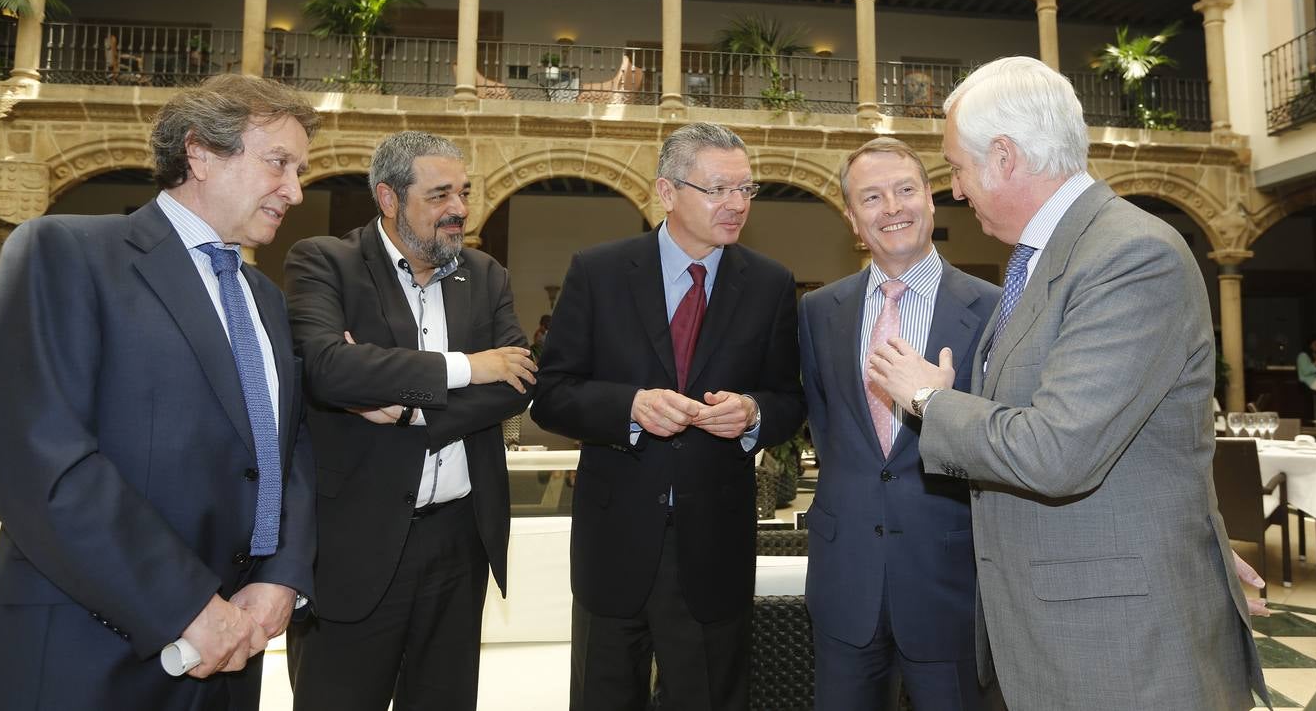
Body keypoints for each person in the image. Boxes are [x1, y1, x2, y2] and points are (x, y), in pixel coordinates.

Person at [870, 56, 1268, 709]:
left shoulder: (1127, 256)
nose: (958, 191)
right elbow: (1148, 444)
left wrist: (926, 398)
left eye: (958, 169)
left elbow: (1059, 451)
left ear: (1002, 157)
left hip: (1118, 648)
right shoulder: (1047, 260)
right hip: (1051, 634)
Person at [0, 74, 320, 710]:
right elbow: (41, 461)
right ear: (200, 153)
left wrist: (281, 576)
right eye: (279, 163)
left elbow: (285, 446)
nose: (295, 191)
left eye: (299, 170)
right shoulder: (63, 253)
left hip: (229, 656)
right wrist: (188, 604)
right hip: (87, 655)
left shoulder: (266, 298)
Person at [533, 122, 805, 711]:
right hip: (615, 545)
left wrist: (754, 414)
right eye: (717, 189)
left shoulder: (770, 285)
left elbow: (790, 399)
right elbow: (552, 393)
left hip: (715, 549)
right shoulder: (599, 272)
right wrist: (627, 407)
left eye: (746, 189)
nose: (736, 205)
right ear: (667, 191)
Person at [283, 131, 536, 711]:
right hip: (356, 542)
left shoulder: (485, 273)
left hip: (458, 541)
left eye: (464, 193)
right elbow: (329, 370)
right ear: (389, 199)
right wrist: (468, 368)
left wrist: (404, 408)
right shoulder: (327, 262)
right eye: (440, 195)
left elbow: (518, 383)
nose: (460, 211)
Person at [799, 138, 1001, 711]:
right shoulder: (819, 313)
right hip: (845, 581)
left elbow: (1011, 433)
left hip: (952, 580)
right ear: (852, 218)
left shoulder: (993, 310)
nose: (892, 207)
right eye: (872, 196)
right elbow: (826, 425)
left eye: (906, 190)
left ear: (933, 201)